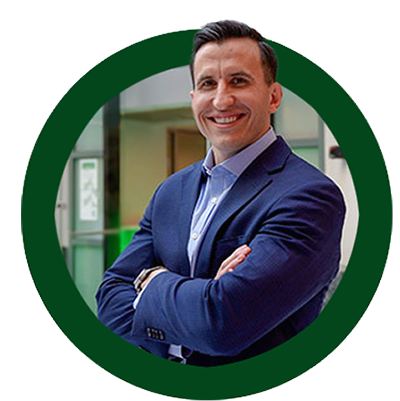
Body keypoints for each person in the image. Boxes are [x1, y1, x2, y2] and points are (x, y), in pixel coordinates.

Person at [96, 20, 346, 367]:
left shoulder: (309, 196)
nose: (221, 99)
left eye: (239, 81)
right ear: (193, 99)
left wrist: (152, 280)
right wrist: (203, 297)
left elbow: (222, 325)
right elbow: (109, 302)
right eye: (207, 84)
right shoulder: (171, 191)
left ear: (273, 96)